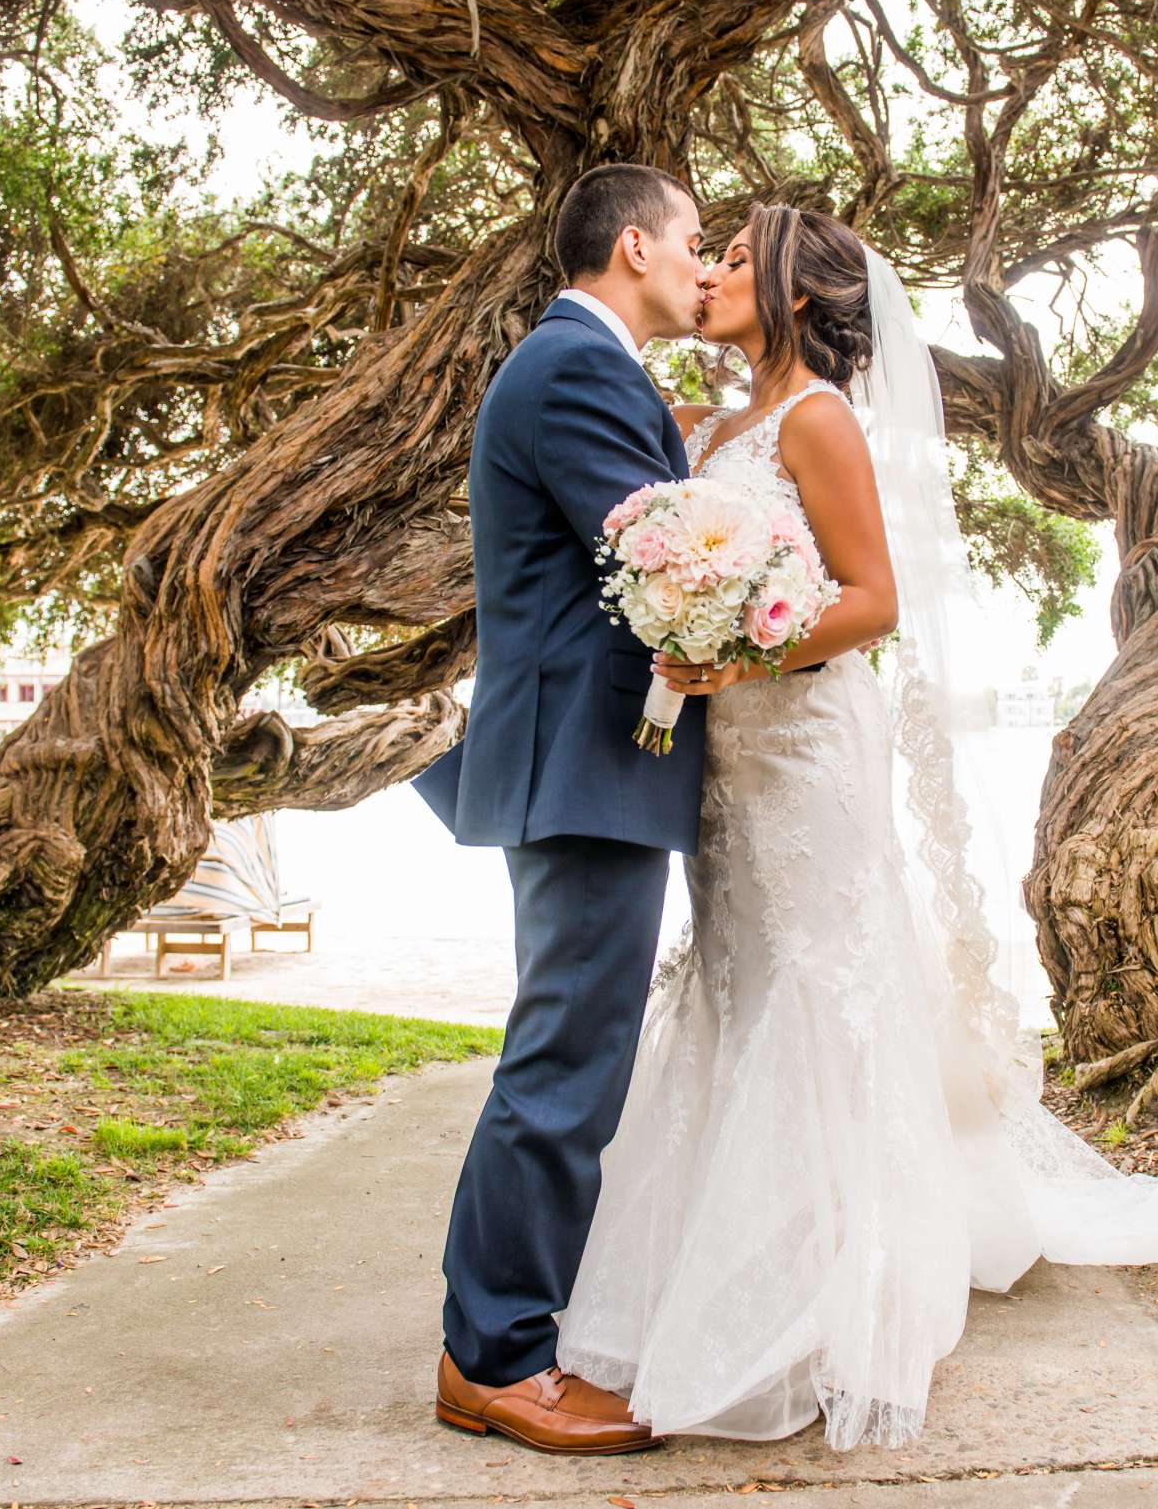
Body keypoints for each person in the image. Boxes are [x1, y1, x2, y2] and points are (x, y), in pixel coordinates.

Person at [548, 203, 1158, 1451]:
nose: (707, 272)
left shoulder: (817, 419)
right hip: (725, 758)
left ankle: (829, 1299)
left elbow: (873, 601)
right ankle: (725, 1268)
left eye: (732, 258)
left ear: (796, 295)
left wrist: (738, 647)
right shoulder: (712, 426)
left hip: (807, 746)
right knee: (738, 988)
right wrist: (692, 630)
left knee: (818, 989)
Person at [410, 162, 708, 1456]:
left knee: (569, 1052)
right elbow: (665, 563)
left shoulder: (587, 367)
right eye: (695, 240)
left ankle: (499, 1337)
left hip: (589, 763)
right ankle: (494, 1356)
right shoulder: (578, 367)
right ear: (633, 245)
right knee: (565, 1063)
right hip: (584, 767)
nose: (706, 265)